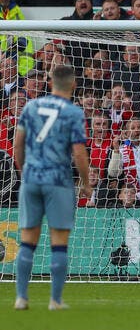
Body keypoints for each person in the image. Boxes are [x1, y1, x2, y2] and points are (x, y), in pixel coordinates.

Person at [13, 65, 91, 310]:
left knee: (27, 241)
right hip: (58, 180)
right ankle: (55, 301)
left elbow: (18, 144)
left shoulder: (31, 106)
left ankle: (21, 298)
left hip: (31, 178)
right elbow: (79, 152)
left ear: (50, 83)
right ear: (73, 85)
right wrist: (86, 182)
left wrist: (25, 170)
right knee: (58, 242)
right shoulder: (73, 112)